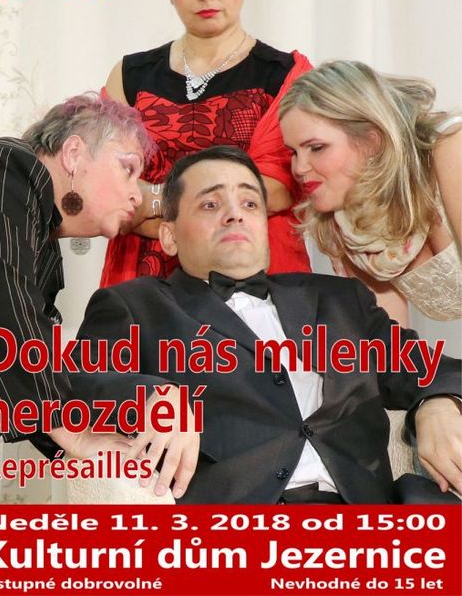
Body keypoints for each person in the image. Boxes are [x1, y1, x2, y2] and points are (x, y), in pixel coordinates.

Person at [76, 146, 462, 504]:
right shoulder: (136, 306)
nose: (235, 214)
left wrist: (437, 404)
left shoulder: (341, 300)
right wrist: (153, 395)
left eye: (249, 203)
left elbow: (435, 370)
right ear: (169, 236)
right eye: (210, 204)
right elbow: (74, 382)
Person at [100, 0, 312, 287]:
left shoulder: (284, 75)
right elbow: (110, 190)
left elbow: (276, 189)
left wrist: (156, 201)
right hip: (145, 279)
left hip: (254, 274)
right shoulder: (130, 76)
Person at [0, 92, 156, 476]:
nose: (137, 195)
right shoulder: (1, 168)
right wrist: (74, 435)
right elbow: (5, 312)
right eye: (128, 169)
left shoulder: (43, 254)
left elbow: (24, 362)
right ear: (73, 154)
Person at [278, 60, 462, 325]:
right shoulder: (340, 219)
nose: (299, 167)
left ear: (372, 141)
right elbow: (388, 335)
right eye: (293, 152)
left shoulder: (452, 149)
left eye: (316, 148)